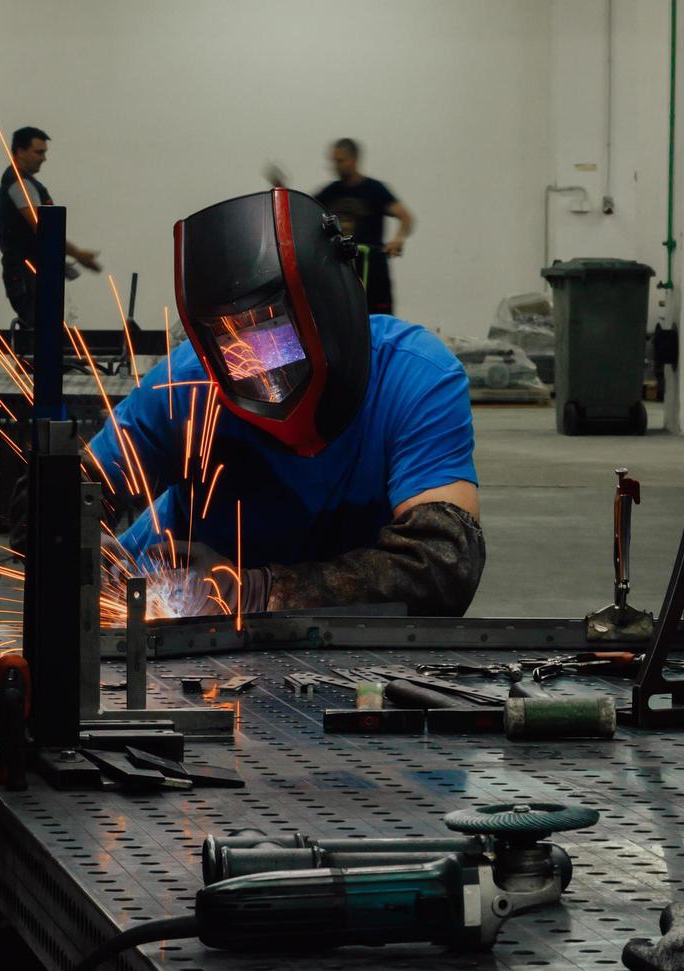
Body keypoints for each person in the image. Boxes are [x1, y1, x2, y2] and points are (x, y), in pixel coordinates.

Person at [88, 188, 482, 617]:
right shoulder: (187, 384)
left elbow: (442, 566)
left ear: (329, 306)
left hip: (332, 639)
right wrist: (69, 536)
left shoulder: (415, 377)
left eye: (272, 335)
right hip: (173, 608)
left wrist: (261, 592)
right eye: (230, 342)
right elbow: (73, 489)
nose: (256, 363)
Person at [269, 137, 414, 314]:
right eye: (333, 161)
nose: (335, 166)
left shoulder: (375, 190)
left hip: (372, 271)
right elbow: (303, 210)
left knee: (378, 326)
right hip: (342, 273)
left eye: (340, 161)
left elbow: (406, 217)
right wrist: (283, 189)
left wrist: (398, 239)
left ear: (353, 159)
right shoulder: (330, 193)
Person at [0, 126, 102, 324]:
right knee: (43, 335)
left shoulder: (26, 183)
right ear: (20, 151)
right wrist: (78, 254)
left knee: (49, 331)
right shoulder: (18, 183)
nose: (43, 158)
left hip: (33, 273)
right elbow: (43, 228)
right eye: (39, 152)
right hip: (26, 274)